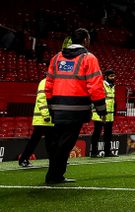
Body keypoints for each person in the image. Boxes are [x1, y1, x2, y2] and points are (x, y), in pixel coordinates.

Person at [44, 28, 107, 184]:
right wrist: (101, 109)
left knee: (59, 142)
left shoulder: (56, 57)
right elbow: (95, 86)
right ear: (85, 40)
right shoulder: (89, 58)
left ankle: (54, 174)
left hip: (57, 107)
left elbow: (49, 84)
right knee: (65, 144)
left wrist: (50, 105)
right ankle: (54, 175)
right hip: (76, 109)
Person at [17, 78, 53, 167]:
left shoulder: (51, 82)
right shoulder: (45, 82)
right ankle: (23, 159)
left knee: (48, 141)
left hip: (47, 119)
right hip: (43, 119)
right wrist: (46, 115)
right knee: (37, 141)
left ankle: (54, 160)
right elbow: (41, 99)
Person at [90, 69, 117, 157]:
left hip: (109, 115)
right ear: (106, 77)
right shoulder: (101, 85)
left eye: (114, 76)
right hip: (100, 114)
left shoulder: (112, 86)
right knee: (97, 133)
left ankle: (107, 152)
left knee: (108, 135)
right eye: (111, 76)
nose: (113, 78)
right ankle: (94, 152)